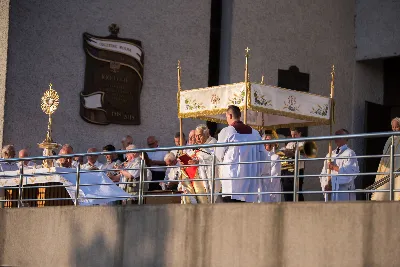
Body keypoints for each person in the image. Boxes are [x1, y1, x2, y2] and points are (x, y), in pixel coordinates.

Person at [215, 105, 266, 203]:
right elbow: (263, 155)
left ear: (230, 116)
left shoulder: (228, 131)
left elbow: (219, 154)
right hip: (250, 179)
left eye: (226, 117)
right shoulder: (255, 133)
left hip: (233, 180)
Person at [319, 129, 359, 201]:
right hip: (330, 191)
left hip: (343, 192)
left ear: (345, 138)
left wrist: (334, 168)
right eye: (335, 135)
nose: (336, 138)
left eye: (339, 136)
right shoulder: (330, 154)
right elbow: (323, 173)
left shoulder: (349, 153)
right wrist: (326, 185)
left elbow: (350, 173)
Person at [371, 118, 400, 201]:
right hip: (387, 167)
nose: (394, 129)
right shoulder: (390, 138)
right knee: (382, 189)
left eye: (397, 127)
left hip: (397, 168)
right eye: (393, 127)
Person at [280, 128, 305, 201]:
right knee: (287, 192)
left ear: (300, 134)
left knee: (297, 191)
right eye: (292, 135)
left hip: (298, 170)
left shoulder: (302, 143)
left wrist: (293, 154)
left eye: (295, 135)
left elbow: (303, 156)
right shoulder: (290, 143)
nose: (293, 137)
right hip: (288, 170)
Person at [260, 131, 282, 202]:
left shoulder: (276, 157)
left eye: (270, 141)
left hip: (271, 191)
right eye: (266, 141)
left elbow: (274, 176)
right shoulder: (261, 155)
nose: (268, 143)